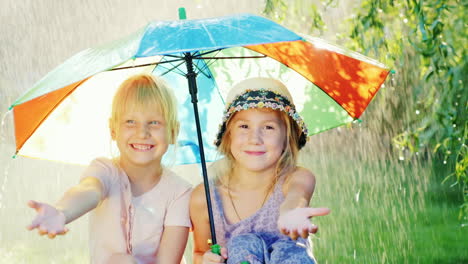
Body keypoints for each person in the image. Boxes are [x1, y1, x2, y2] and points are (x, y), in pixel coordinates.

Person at [27, 74, 192, 264]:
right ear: (113, 129)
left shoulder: (180, 192)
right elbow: (88, 191)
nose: (142, 133)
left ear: (173, 132)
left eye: (154, 123)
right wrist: (62, 211)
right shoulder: (105, 171)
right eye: (130, 122)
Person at [190, 77, 331, 264]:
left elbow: (297, 197)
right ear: (228, 135)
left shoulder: (295, 178)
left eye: (268, 127)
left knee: (289, 247)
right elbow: (200, 252)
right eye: (244, 126)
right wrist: (206, 261)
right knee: (242, 244)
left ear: (287, 139)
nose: (254, 139)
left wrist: (292, 212)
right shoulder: (204, 198)